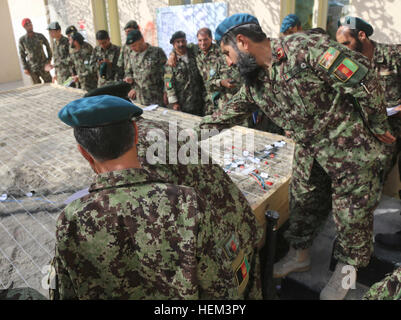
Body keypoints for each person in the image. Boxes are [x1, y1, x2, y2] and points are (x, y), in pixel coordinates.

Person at [199, 13, 395, 300]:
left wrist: (377, 126)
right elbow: (228, 112)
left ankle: (345, 277)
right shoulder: (255, 81)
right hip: (308, 150)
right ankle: (299, 256)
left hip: (349, 149)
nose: (228, 62)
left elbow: (364, 80)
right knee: (302, 201)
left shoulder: (305, 49)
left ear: (241, 42)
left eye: (227, 53)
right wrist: (187, 136)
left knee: (352, 218)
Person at [48, 93, 263, 299]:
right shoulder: (187, 204)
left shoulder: (71, 222)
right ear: (135, 131)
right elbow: (222, 290)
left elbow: (66, 291)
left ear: (83, 152)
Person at [337, 16, 401, 252]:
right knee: (370, 182)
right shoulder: (349, 64)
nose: (342, 50)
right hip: (377, 135)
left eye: (345, 43)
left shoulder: (394, 54)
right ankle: (358, 241)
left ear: (361, 36)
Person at [164, 31, 205, 116]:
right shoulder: (171, 63)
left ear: (186, 41)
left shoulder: (193, 52)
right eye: (177, 42)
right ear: (173, 44)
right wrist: (174, 102)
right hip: (183, 103)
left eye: (183, 41)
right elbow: (168, 83)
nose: (181, 44)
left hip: (199, 100)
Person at [123, 30, 167, 106]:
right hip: (139, 99)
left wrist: (167, 91)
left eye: (134, 45)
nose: (132, 48)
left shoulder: (157, 52)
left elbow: (168, 74)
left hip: (157, 98)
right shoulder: (131, 55)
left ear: (142, 40)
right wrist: (129, 79)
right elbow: (128, 72)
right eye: (130, 46)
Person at [18, 18, 52, 84]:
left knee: (49, 84)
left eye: (30, 24)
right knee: (37, 87)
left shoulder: (40, 36)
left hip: (43, 65)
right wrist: (25, 68)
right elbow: (22, 54)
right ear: (24, 27)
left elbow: (48, 47)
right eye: (27, 25)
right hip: (32, 67)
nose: (29, 26)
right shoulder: (22, 40)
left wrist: (49, 59)